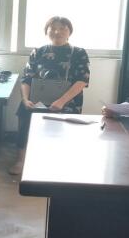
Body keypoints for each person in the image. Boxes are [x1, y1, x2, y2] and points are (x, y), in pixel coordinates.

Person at [11, 16, 90, 175]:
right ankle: (20, 159)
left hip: (67, 101)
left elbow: (82, 81)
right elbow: (26, 79)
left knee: (65, 121)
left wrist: (61, 101)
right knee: (25, 111)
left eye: (62, 28)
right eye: (53, 28)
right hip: (38, 99)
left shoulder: (79, 53)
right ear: (46, 31)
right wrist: (25, 99)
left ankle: (59, 161)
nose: (57, 32)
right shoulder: (38, 52)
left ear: (69, 32)